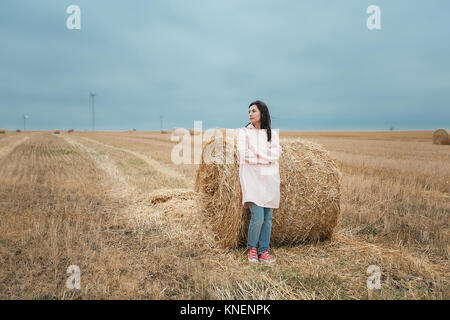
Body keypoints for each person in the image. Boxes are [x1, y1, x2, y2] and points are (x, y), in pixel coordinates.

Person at [237, 100, 282, 264]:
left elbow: (276, 154)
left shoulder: (271, 134)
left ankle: (264, 250)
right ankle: (252, 249)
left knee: (268, 217)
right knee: (258, 216)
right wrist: (266, 159)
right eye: (249, 111)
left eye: (253, 111)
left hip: (269, 178)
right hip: (252, 178)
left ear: (262, 113)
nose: (250, 114)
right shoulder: (244, 133)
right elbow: (244, 154)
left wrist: (259, 157)